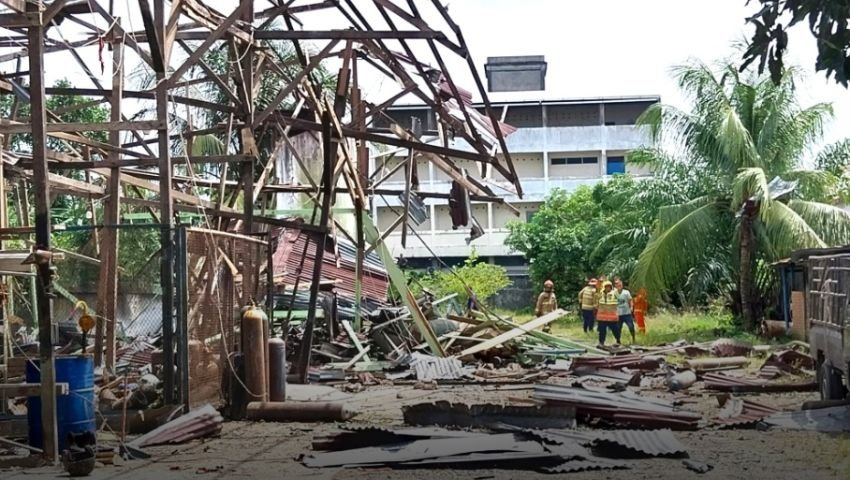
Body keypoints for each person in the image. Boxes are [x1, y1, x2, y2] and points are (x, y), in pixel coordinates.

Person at [595, 281, 621, 347]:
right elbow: (596, 300)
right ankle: (601, 342)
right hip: (602, 317)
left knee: (615, 330)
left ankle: (618, 341)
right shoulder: (600, 293)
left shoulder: (615, 292)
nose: (608, 288)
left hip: (612, 317)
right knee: (602, 330)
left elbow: (619, 296)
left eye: (609, 287)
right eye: (606, 287)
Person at [615, 278, 636, 344]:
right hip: (618, 314)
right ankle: (618, 341)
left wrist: (631, 307)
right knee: (618, 329)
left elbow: (630, 300)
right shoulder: (614, 293)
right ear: (615, 286)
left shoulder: (626, 292)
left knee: (631, 326)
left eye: (620, 284)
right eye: (617, 284)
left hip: (627, 313)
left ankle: (633, 339)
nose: (619, 286)